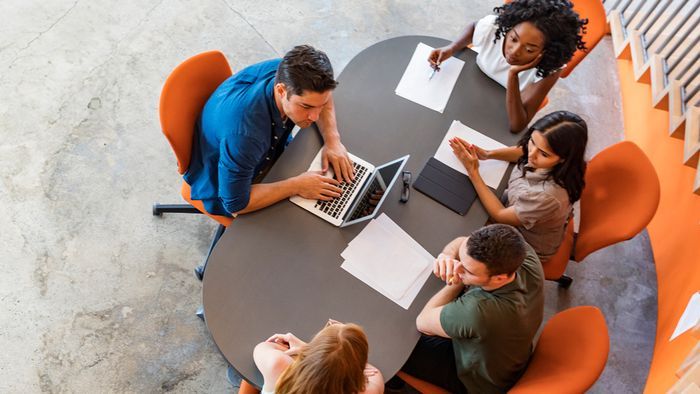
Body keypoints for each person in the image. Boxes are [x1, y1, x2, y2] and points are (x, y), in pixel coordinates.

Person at [184, 45, 355, 219]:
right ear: (281, 91)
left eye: (321, 105)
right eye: (306, 107)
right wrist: (297, 185)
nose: (314, 116)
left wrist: (333, 140)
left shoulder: (291, 74)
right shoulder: (245, 137)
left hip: (261, 149)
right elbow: (235, 203)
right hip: (226, 182)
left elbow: (321, 96)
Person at [399, 224, 544, 393]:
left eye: (468, 270)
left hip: (475, 380)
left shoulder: (480, 311)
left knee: (397, 341)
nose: (459, 267)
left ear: (499, 278)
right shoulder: (521, 254)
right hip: (504, 356)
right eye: (462, 259)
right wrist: (446, 256)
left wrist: (456, 278)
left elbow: (423, 322)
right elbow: (462, 242)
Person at [428, 0, 588, 132]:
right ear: (509, 28)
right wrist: (452, 47)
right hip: (465, 88)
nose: (515, 51)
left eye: (529, 49)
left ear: (545, 52)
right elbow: (474, 27)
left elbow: (517, 126)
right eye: (513, 39)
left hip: (493, 112)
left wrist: (513, 75)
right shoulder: (494, 27)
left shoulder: (548, 70)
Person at [450, 110, 588, 262]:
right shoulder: (548, 157)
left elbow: (500, 215)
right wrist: (488, 154)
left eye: (543, 154)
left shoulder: (547, 196)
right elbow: (522, 152)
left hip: (525, 244)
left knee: (458, 239)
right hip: (516, 207)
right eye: (533, 141)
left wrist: (473, 171)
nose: (531, 154)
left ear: (564, 158)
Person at [253, 322, 384, 394]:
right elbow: (374, 372)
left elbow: (262, 347)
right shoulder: (369, 390)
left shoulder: (278, 365)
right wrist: (355, 370)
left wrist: (307, 351)